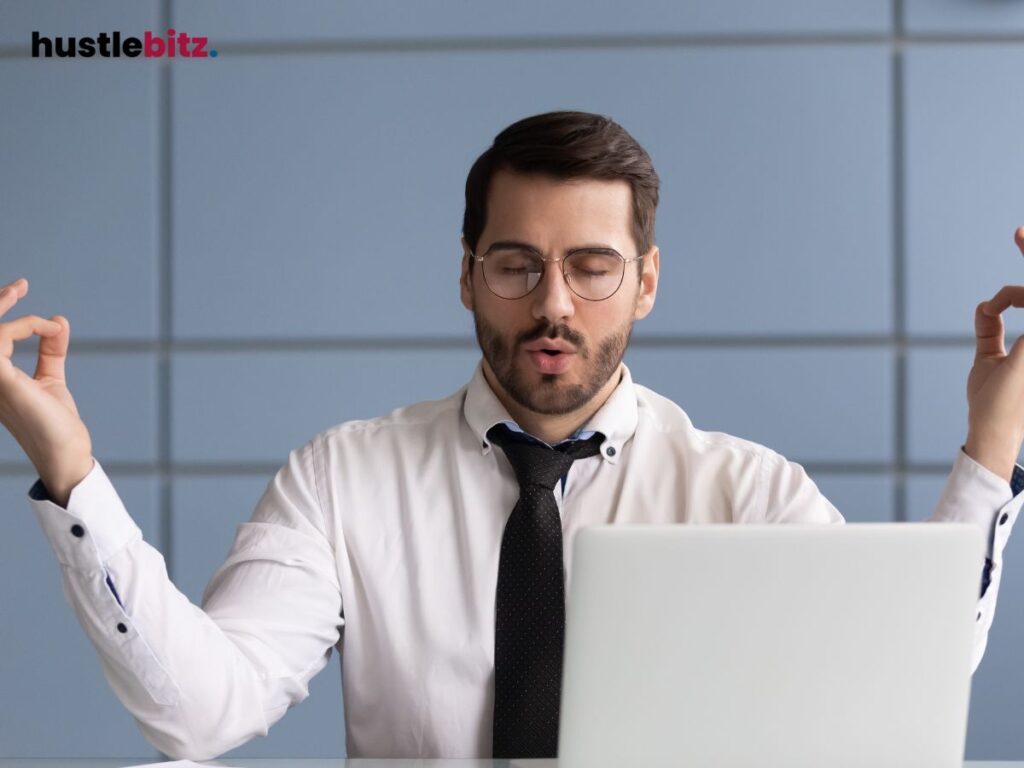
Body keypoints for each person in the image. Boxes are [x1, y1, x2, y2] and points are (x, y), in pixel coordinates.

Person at [2, 110, 1023, 761]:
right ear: (464, 273)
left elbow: (905, 673)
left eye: (592, 266)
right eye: (514, 264)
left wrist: (994, 439)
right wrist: (70, 470)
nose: (554, 306)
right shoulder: (344, 478)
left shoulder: (745, 494)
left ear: (647, 281)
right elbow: (198, 713)